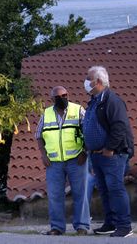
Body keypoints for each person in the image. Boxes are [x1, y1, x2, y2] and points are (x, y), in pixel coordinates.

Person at [82, 66, 134, 238]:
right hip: (96, 154)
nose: (86, 81)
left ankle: (125, 226)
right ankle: (110, 223)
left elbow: (119, 127)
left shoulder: (112, 101)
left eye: (88, 78)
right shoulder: (94, 100)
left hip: (113, 154)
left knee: (115, 188)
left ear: (97, 81)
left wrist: (110, 148)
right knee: (104, 190)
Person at [35, 86, 89, 236]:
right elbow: (38, 135)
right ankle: (57, 227)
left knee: (80, 193)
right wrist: (43, 154)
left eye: (65, 95)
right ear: (52, 100)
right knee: (55, 195)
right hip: (54, 162)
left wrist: (85, 151)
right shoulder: (46, 114)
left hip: (77, 159)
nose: (63, 98)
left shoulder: (78, 110)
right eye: (58, 97)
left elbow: (88, 131)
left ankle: (82, 226)